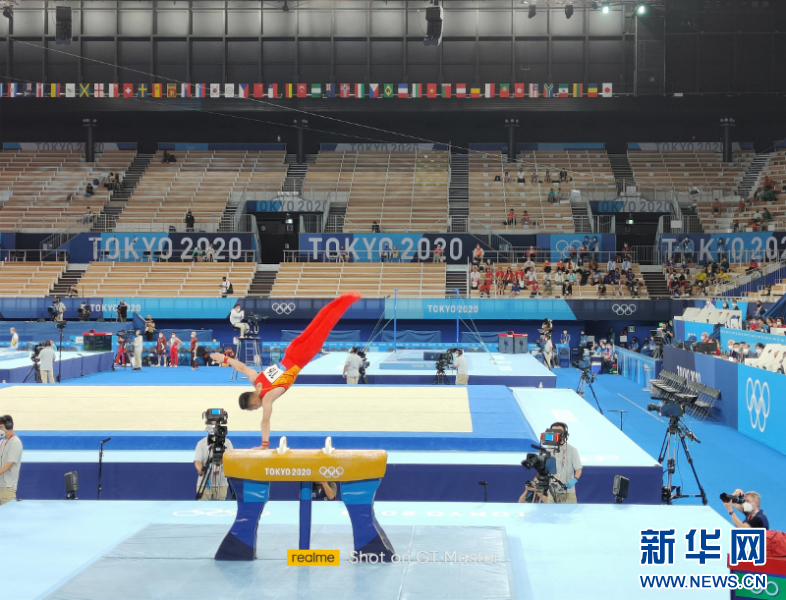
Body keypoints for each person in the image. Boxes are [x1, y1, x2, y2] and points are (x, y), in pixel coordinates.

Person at [215, 292, 360, 449]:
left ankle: (348, 300)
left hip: (301, 357)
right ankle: (341, 300)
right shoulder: (256, 380)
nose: (257, 408)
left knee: (325, 326)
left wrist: (264, 444)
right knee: (317, 323)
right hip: (291, 351)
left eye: (254, 408)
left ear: (254, 402)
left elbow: (265, 420)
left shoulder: (267, 397)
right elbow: (242, 367)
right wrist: (225, 359)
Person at [544, 422, 581, 503]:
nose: (557, 434)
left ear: (565, 434)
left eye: (559, 431)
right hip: (551, 491)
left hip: (568, 492)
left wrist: (575, 479)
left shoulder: (572, 450)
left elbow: (578, 469)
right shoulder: (548, 450)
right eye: (554, 431)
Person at [194, 429, 234, 501]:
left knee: (220, 505)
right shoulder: (201, 443)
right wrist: (200, 469)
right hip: (204, 482)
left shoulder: (227, 442)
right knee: (202, 504)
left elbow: (230, 459)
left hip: (221, 482)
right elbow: (197, 461)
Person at [0, 415, 22, 505]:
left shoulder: (15, 442)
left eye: (1, 427)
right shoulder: (2, 441)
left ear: (9, 426)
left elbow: (9, 464)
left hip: (7, 488)